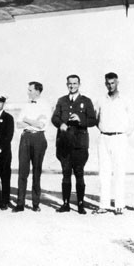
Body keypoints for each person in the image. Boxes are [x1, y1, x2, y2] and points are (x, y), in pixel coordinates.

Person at [51, 75, 97, 215]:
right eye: (70, 84)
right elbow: (54, 118)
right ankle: (65, 204)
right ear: (67, 84)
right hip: (64, 143)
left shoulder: (86, 101)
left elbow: (93, 120)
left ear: (79, 84)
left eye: (75, 83)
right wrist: (61, 124)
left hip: (79, 145)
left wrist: (80, 119)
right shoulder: (61, 100)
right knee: (65, 174)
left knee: (79, 173)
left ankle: (81, 205)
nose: (72, 86)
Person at [94, 72, 134, 215]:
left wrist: (122, 134)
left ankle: (119, 205)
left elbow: (132, 122)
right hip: (104, 138)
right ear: (105, 83)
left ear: (117, 83)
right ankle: (103, 204)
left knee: (119, 171)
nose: (110, 86)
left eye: (113, 83)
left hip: (120, 138)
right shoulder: (101, 100)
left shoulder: (126, 100)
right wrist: (105, 131)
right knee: (103, 172)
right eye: (108, 83)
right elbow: (96, 118)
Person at [14, 81, 51, 212]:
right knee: (22, 172)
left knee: (36, 172)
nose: (28, 92)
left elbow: (42, 125)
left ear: (37, 91)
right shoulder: (26, 105)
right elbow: (18, 124)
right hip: (25, 137)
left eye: (30, 90)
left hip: (38, 138)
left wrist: (27, 120)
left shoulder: (45, 105)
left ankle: (36, 204)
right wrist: (33, 122)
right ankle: (20, 203)